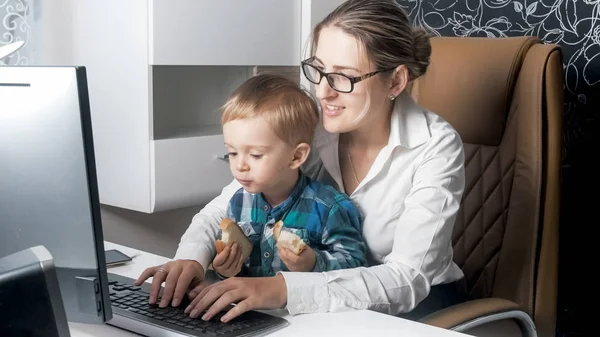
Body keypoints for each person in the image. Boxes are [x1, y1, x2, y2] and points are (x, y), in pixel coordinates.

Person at [135, 0, 467, 323]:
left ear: (395, 81)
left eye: (344, 77)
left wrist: (280, 290)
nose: (323, 92)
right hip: (328, 308)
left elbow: (408, 279)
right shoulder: (313, 123)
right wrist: (191, 259)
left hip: (418, 312)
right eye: (319, 70)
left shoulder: (435, 146)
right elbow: (223, 207)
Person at [211, 73, 367, 279]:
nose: (240, 165)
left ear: (296, 156)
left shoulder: (328, 207)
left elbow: (356, 264)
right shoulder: (238, 203)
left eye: (256, 155)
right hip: (254, 308)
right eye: (232, 153)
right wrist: (225, 270)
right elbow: (240, 272)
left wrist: (313, 262)